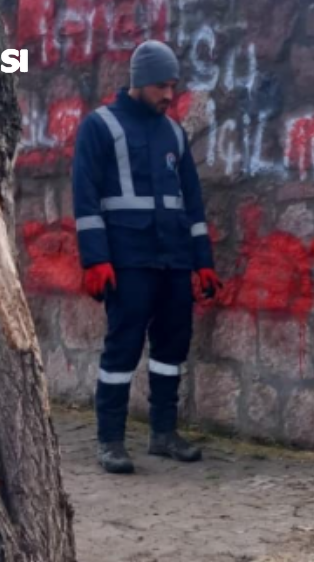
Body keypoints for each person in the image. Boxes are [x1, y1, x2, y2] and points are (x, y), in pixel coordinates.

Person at [72, 40, 223, 475]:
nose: (169, 95)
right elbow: (85, 198)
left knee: (171, 350)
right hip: (127, 260)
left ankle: (163, 434)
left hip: (173, 260)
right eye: (162, 85)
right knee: (122, 349)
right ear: (139, 82)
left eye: (173, 86)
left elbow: (192, 204)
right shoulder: (99, 127)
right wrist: (95, 260)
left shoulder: (174, 133)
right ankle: (110, 441)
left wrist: (203, 261)